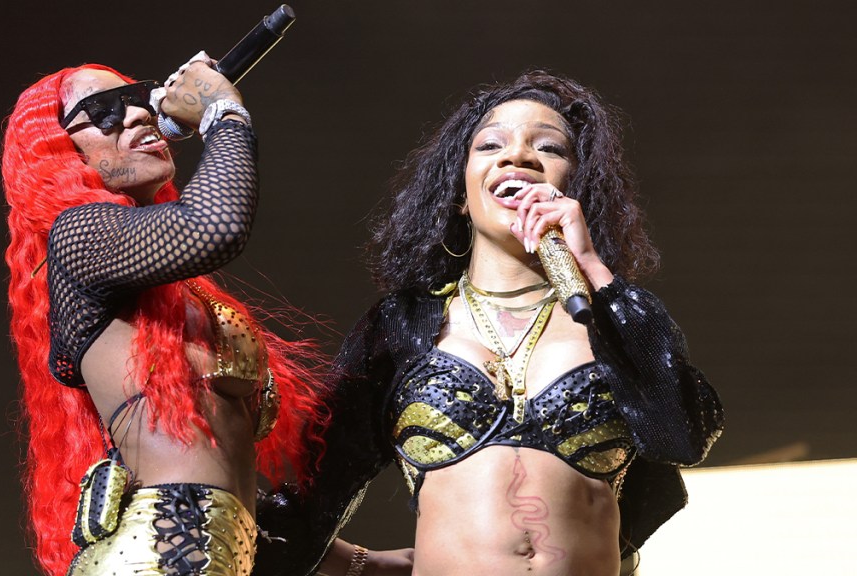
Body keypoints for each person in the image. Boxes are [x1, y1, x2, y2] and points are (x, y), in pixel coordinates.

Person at [254, 70, 725, 576]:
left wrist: (593, 270)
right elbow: (306, 510)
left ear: (577, 189)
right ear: (460, 194)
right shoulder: (403, 326)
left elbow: (682, 437)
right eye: (490, 144)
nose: (518, 155)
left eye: (549, 148)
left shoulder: (613, 322)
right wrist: (370, 565)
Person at [1, 55, 334, 576]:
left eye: (140, 100)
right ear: (59, 152)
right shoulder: (76, 237)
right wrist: (222, 110)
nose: (138, 115)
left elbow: (219, 488)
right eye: (105, 110)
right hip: (161, 557)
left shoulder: (178, 293)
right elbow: (216, 227)